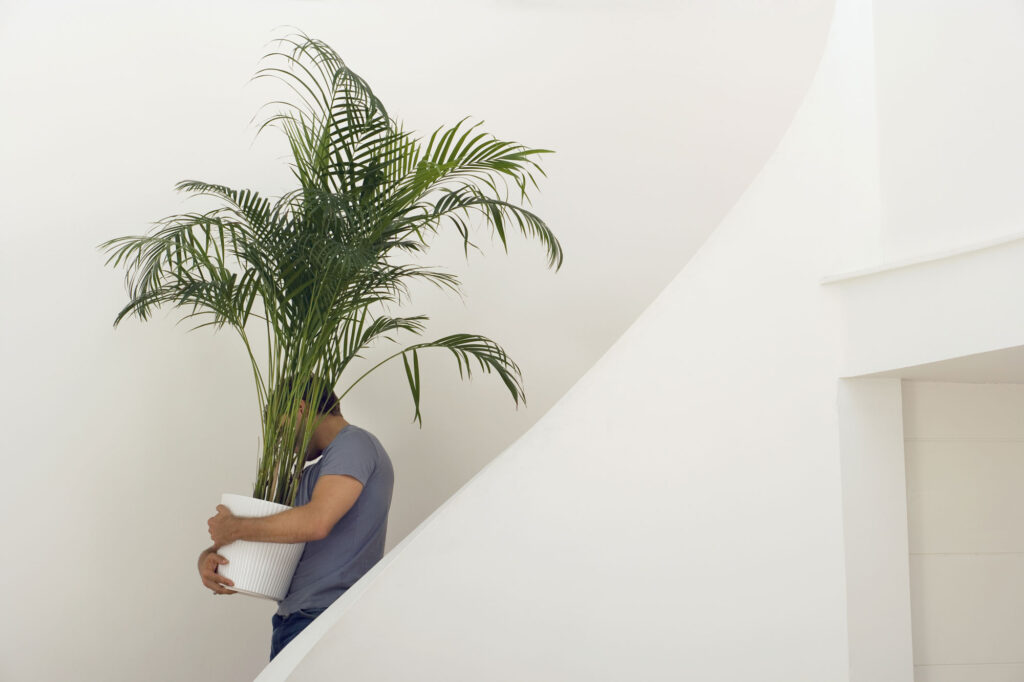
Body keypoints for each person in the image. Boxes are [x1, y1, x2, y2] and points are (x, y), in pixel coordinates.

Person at [196, 376, 395, 661]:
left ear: (300, 409)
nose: (283, 441)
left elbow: (317, 521)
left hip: (326, 619)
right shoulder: (314, 474)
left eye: (281, 428)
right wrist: (208, 559)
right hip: (292, 622)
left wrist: (235, 527)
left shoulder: (355, 443)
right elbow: (273, 532)